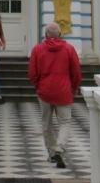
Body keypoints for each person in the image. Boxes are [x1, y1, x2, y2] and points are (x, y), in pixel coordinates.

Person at [28, 22, 81, 169]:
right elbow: (76, 71)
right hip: (63, 90)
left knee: (46, 123)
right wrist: (74, 87)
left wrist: (38, 85)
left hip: (44, 90)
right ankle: (60, 147)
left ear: (46, 34)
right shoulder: (69, 49)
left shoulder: (37, 49)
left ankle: (52, 153)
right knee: (65, 122)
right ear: (60, 34)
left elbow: (32, 72)